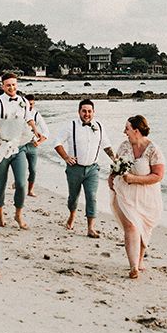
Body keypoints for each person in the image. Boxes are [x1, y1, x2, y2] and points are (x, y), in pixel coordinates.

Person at [108, 115, 165, 279]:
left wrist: (134, 179)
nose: (124, 132)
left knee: (143, 229)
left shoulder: (153, 149)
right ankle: (133, 267)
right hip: (125, 193)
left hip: (147, 196)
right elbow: (116, 165)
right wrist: (111, 176)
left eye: (127, 128)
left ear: (136, 130)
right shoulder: (124, 146)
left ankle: (139, 261)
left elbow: (158, 176)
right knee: (131, 226)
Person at [53, 99, 114, 238]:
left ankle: (90, 228)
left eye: (89, 111)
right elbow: (57, 142)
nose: (87, 114)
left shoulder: (99, 126)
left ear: (93, 112)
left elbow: (106, 145)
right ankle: (72, 214)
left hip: (92, 169)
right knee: (73, 198)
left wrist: (115, 160)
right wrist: (66, 157)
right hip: (75, 169)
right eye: (84, 111)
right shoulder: (71, 126)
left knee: (91, 197)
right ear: (79, 112)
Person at [0, 73, 43, 229]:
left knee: (21, 184)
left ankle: (18, 214)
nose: (11, 87)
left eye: (14, 84)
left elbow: (28, 118)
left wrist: (35, 130)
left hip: (18, 147)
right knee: (0, 184)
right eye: (8, 85)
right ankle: (0, 215)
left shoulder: (23, 101)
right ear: (2, 86)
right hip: (2, 148)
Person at [22, 94, 49, 197]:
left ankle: (30, 190)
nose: (30, 106)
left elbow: (46, 131)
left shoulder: (36, 114)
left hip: (32, 145)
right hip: (20, 145)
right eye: (28, 104)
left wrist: (39, 142)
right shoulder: (19, 113)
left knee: (33, 170)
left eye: (32, 104)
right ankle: (19, 181)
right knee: (21, 167)